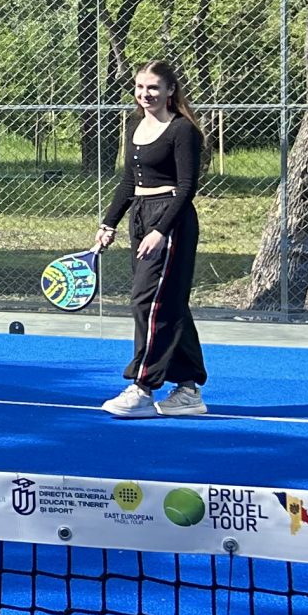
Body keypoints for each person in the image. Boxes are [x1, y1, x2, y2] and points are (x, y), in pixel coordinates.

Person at [94, 59, 208, 418]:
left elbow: (187, 187)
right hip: (141, 216)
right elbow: (129, 181)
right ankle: (188, 389)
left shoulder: (182, 130)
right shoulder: (134, 125)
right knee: (168, 302)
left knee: (147, 302)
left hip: (170, 219)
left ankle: (142, 387)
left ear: (170, 90)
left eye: (154, 87)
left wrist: (161, 231)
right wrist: (109, 224)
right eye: (140, 87)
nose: (145, 94)